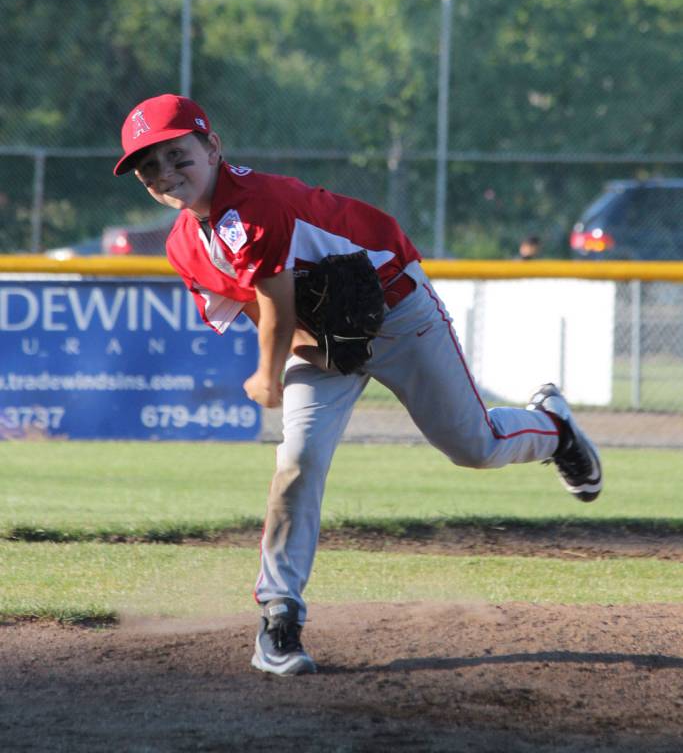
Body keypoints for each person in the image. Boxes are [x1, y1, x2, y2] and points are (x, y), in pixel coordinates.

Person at [114, 94, 603, 676]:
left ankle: (554, 428)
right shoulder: (182, 245)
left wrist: (268, 374)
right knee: (298, 457)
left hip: (398, 310)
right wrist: (315, 352)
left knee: (475, 446)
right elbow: (253, 314)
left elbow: (274, 307)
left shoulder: (257, 204)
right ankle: (279, 613)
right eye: (149, 166)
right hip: (317, 342)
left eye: (177, 155)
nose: (166, 173)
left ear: (213, 147)